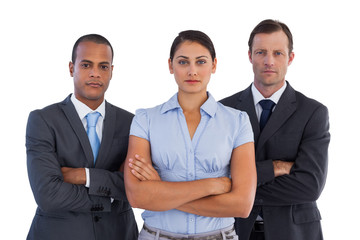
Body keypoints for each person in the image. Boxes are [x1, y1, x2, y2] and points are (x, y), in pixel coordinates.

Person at [124, 30, 257, 239]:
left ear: (214, 65)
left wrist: (161, 192)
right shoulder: (145, 120)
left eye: (201, 62)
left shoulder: (238, 122)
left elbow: (242, 205)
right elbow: (137, 196)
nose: (192, 71)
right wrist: (213, 185)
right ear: (171, 65)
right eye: (183, 62)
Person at [220, 19, 330, 240]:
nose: (269, 61)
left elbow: (310, 185)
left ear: (290, 58)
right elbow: (214, 174)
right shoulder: (223, 110)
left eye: (278, 53)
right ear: (250, 56)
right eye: (261, 52)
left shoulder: (313, 112)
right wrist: (275, 167)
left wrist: (239, 189)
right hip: (235, 230)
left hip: (294, 232)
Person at [26, 34, 138, 240]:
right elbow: (47, 194)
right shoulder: (43, 120)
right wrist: (109, 198)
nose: (95, 73)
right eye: (86, 65)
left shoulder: (133, 123)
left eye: (103, 67)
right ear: (71, 68)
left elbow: (137, 188)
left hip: (118, 234)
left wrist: (84, 176)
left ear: (112, 71)